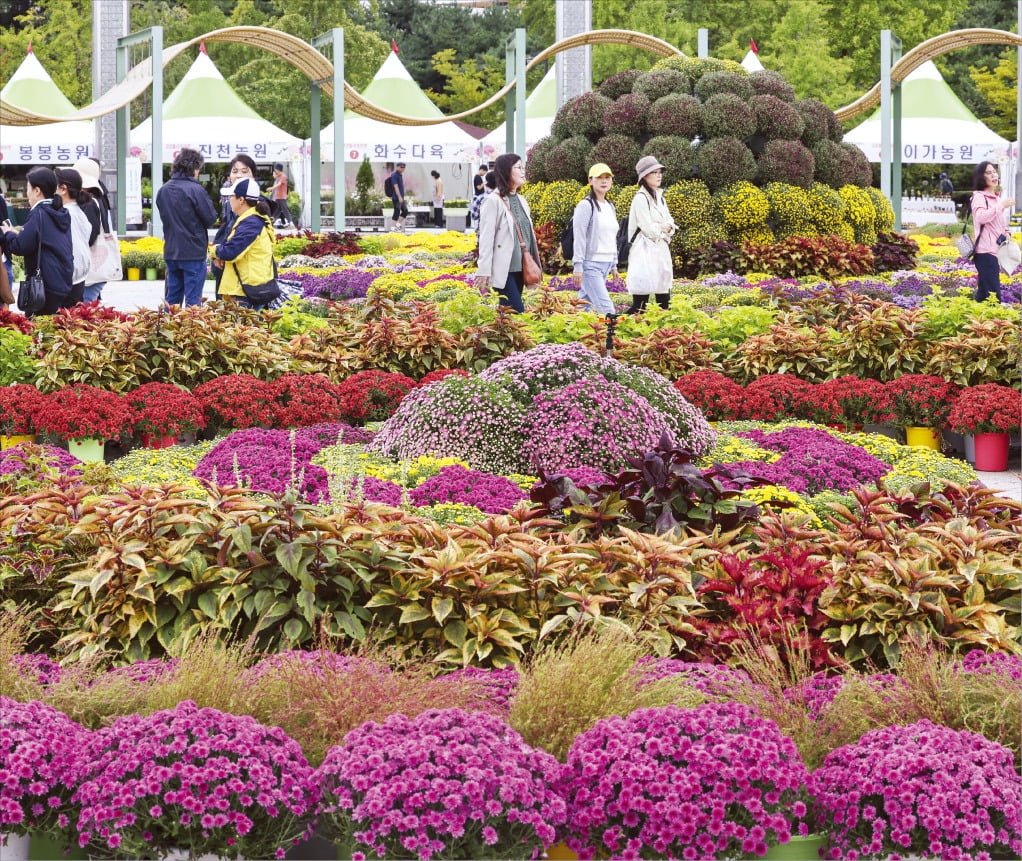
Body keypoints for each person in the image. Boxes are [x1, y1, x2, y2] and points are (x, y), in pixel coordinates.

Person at [1, 166, 73, 316]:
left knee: (38, 328)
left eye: (28, 188)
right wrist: (18, 234)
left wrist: (8, 234)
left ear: (37, 191)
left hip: (44, 285)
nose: (27, 193)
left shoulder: (39, 213)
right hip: (61, 279)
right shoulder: (59, 211)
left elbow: (20, 246)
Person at [473, 153, 539, 314]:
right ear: (505, 171)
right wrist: (483, 270)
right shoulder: (493, 201)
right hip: (504, 269)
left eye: (523, 167)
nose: (523, 171)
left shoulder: (522, 200)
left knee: (507, 316)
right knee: (516, 311)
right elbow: (486, 238)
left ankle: (501, 338)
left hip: (521, 267)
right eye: (518, 167)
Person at [155, 147, 218, 307]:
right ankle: (191, 331)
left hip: (171, 250)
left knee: (172, 299)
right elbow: (210, 218)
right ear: (195, 168)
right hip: (193, 252)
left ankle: (167, 330)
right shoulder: (196, 190)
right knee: (193, 301)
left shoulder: (163, 190)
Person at [211, 177, 276, 310]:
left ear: (241, 200)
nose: (229, 199)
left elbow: (231, 252)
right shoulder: (252, 219)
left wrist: (214, 251)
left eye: (231, 196)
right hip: (249, 288)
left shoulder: (250, 223)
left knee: (241, 329)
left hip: (245, 291)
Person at [624, 155, 676, 314]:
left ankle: (663, 335)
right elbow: (649, 230)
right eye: (654, 172)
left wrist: (664, 227)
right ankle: (611, 325)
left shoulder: (660, 198)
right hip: (644, 253)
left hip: (660, 252)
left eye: (660, 172)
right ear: (644, 177)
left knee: (664, 301)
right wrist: (662, 227)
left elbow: (671, 224)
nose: (659, 175)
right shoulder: (640, 198)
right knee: (640, 305)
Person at [571, 163, 619, 318]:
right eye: (599, 178)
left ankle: (571, 337)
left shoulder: (610, 206)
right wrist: (578, 265)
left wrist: (613, 264)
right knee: (607, 310)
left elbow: (611, 237)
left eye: (607, 177)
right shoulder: (585, 206)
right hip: (590, 265)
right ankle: (613, 339)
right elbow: (579, 237)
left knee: (583, 307)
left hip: (605, 264)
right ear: (590, 181)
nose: (604, 181)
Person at [212, 154, 258, 299]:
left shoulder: (255, 208)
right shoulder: (232, 201)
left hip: (244, 283)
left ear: (253, 176)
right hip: (230, 277)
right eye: (235, 171)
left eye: (244, 171)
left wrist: (217, 252)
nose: (238, 175)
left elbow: (235, 247)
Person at [970, 161, 1015, 303]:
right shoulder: (979, 197)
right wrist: (1001, 206)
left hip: (995, 250)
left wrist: (1007, 231)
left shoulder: (995, 197)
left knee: (984, 293)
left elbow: (997, 221)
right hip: (985, 251)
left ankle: (976, 321)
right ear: (981, 177)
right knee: (993, 294)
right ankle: (994, 323)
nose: (994, 175)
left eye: (994, 172)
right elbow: (981, 217)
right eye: (989, 173)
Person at [54, 167, 99, 302]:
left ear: (63, 189)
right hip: (79, 276)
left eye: (54, 186)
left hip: (68, 278)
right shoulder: (78, 212)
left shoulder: (65, 215)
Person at [73, 157, 113, 304]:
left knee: (84, 309)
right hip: (94, 270)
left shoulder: (89, 203)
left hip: (91, 270)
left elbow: (89, 236)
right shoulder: (97, 197)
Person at [271, 163, 294, 229]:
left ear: (278, 169)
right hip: (278, 196)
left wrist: (272, 188)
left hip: (282, 196)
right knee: (277, 210)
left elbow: (279, 184)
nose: (275, 171)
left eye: (275, 169)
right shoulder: (278, 176)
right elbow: (276, 179)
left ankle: (291, 223)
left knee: (285, 210)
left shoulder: (283, 176)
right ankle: (270, 222)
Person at [389, 162, 408, 231]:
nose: (402, 169)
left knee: (405, 211)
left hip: (401, 197)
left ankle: (397, 224)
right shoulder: (394, 175)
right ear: (397, 167)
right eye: (401, 167)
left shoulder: (400, 175)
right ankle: (392, 227)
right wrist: (399, 196)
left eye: (403, 167)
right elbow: (395, 186)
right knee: (397, 211)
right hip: (396, 197)